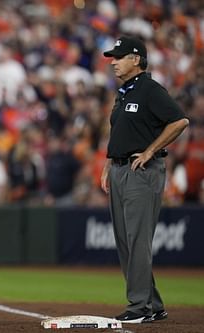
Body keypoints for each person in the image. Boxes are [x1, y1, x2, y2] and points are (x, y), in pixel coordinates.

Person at [100, 36, 189, 323]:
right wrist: (108, 163)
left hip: (142, 172)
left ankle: (139, 307)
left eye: (119, 56)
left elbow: (179, 121)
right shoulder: (124, 92)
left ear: (135, 59)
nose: (113, 62)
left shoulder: (150, 89)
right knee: (126, 242)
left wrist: (151, 150)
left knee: (137, 241)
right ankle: (153, 304)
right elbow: (120, 133)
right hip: (119, 169)